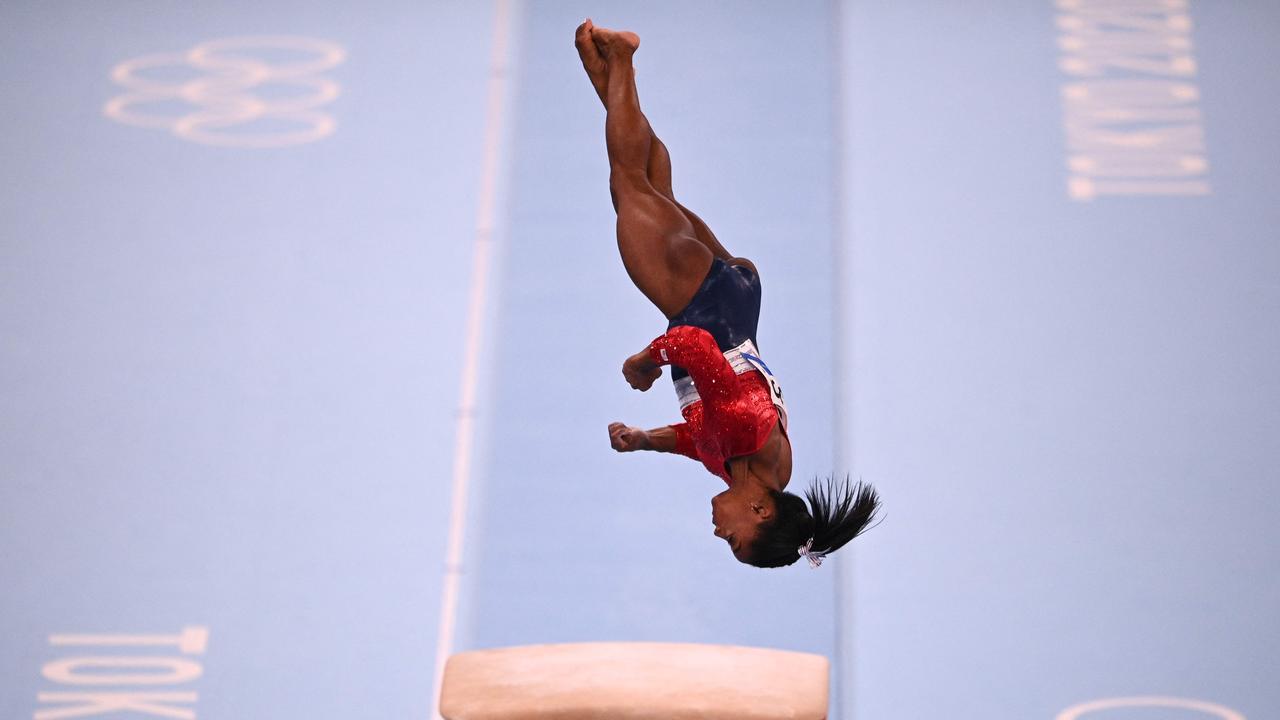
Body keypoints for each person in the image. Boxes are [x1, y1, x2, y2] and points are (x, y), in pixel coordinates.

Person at [576, 20, 880, 568]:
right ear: (760, 512)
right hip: (699, 304)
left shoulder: (751, 468)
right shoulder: (749, 435)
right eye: (736, 541)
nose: (722, 536)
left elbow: (702, 438)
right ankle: (619, 60)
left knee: (653, 188)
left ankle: (614, 81)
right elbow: (693, 346)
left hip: (734, 294)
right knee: (629, 185)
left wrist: (646, 440)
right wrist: (645, 361)